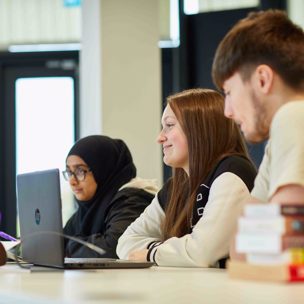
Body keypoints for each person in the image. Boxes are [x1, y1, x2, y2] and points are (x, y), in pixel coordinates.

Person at [116, 88, 256, 267]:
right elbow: (126, 241)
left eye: (169, 125)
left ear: (200, 129)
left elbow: (202, 252)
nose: (160, 137)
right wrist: (160, 251)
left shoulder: (232, 171)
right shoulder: (175, 187)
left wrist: (151, 253)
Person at [212, 9, 304, 205]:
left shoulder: (292, 115)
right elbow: (250, 224)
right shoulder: (278, 138)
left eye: (229, 92)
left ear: (262, 80)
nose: (227, 111)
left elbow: (288, 230)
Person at [62, 135, 158, 258]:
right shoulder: (87, 210)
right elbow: (58, 241)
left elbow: (113, 247)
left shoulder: (132, 200)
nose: (72, 181)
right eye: (69, 172)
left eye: (80, 171)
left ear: (102, 169)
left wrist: (68, 247)